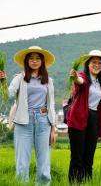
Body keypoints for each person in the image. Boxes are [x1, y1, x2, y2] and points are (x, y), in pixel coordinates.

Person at [0, 46, 56, 184]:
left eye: (37, 58)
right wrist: (3, 81)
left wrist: (53, 128)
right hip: (23, 122)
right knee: (22, 163)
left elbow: (52, 105)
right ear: (26, 61)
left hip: (44, 121)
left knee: (44, 163)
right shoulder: (19, 78)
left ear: (42, 61)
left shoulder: (49, 80)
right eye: (31, 58)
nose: (34, 61)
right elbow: (9, 94)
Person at [66, 50, 101, 183]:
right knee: (77, 157)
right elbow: (80, 82)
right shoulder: (83, 76)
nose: (96, 65)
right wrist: (75, 77)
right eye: (94, 62)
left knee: (89, 157)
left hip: (93, 119)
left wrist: (100, 129)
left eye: (99, 63)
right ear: (88, 64)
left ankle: (87, 182)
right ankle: (75, 183)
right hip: (78, 118)